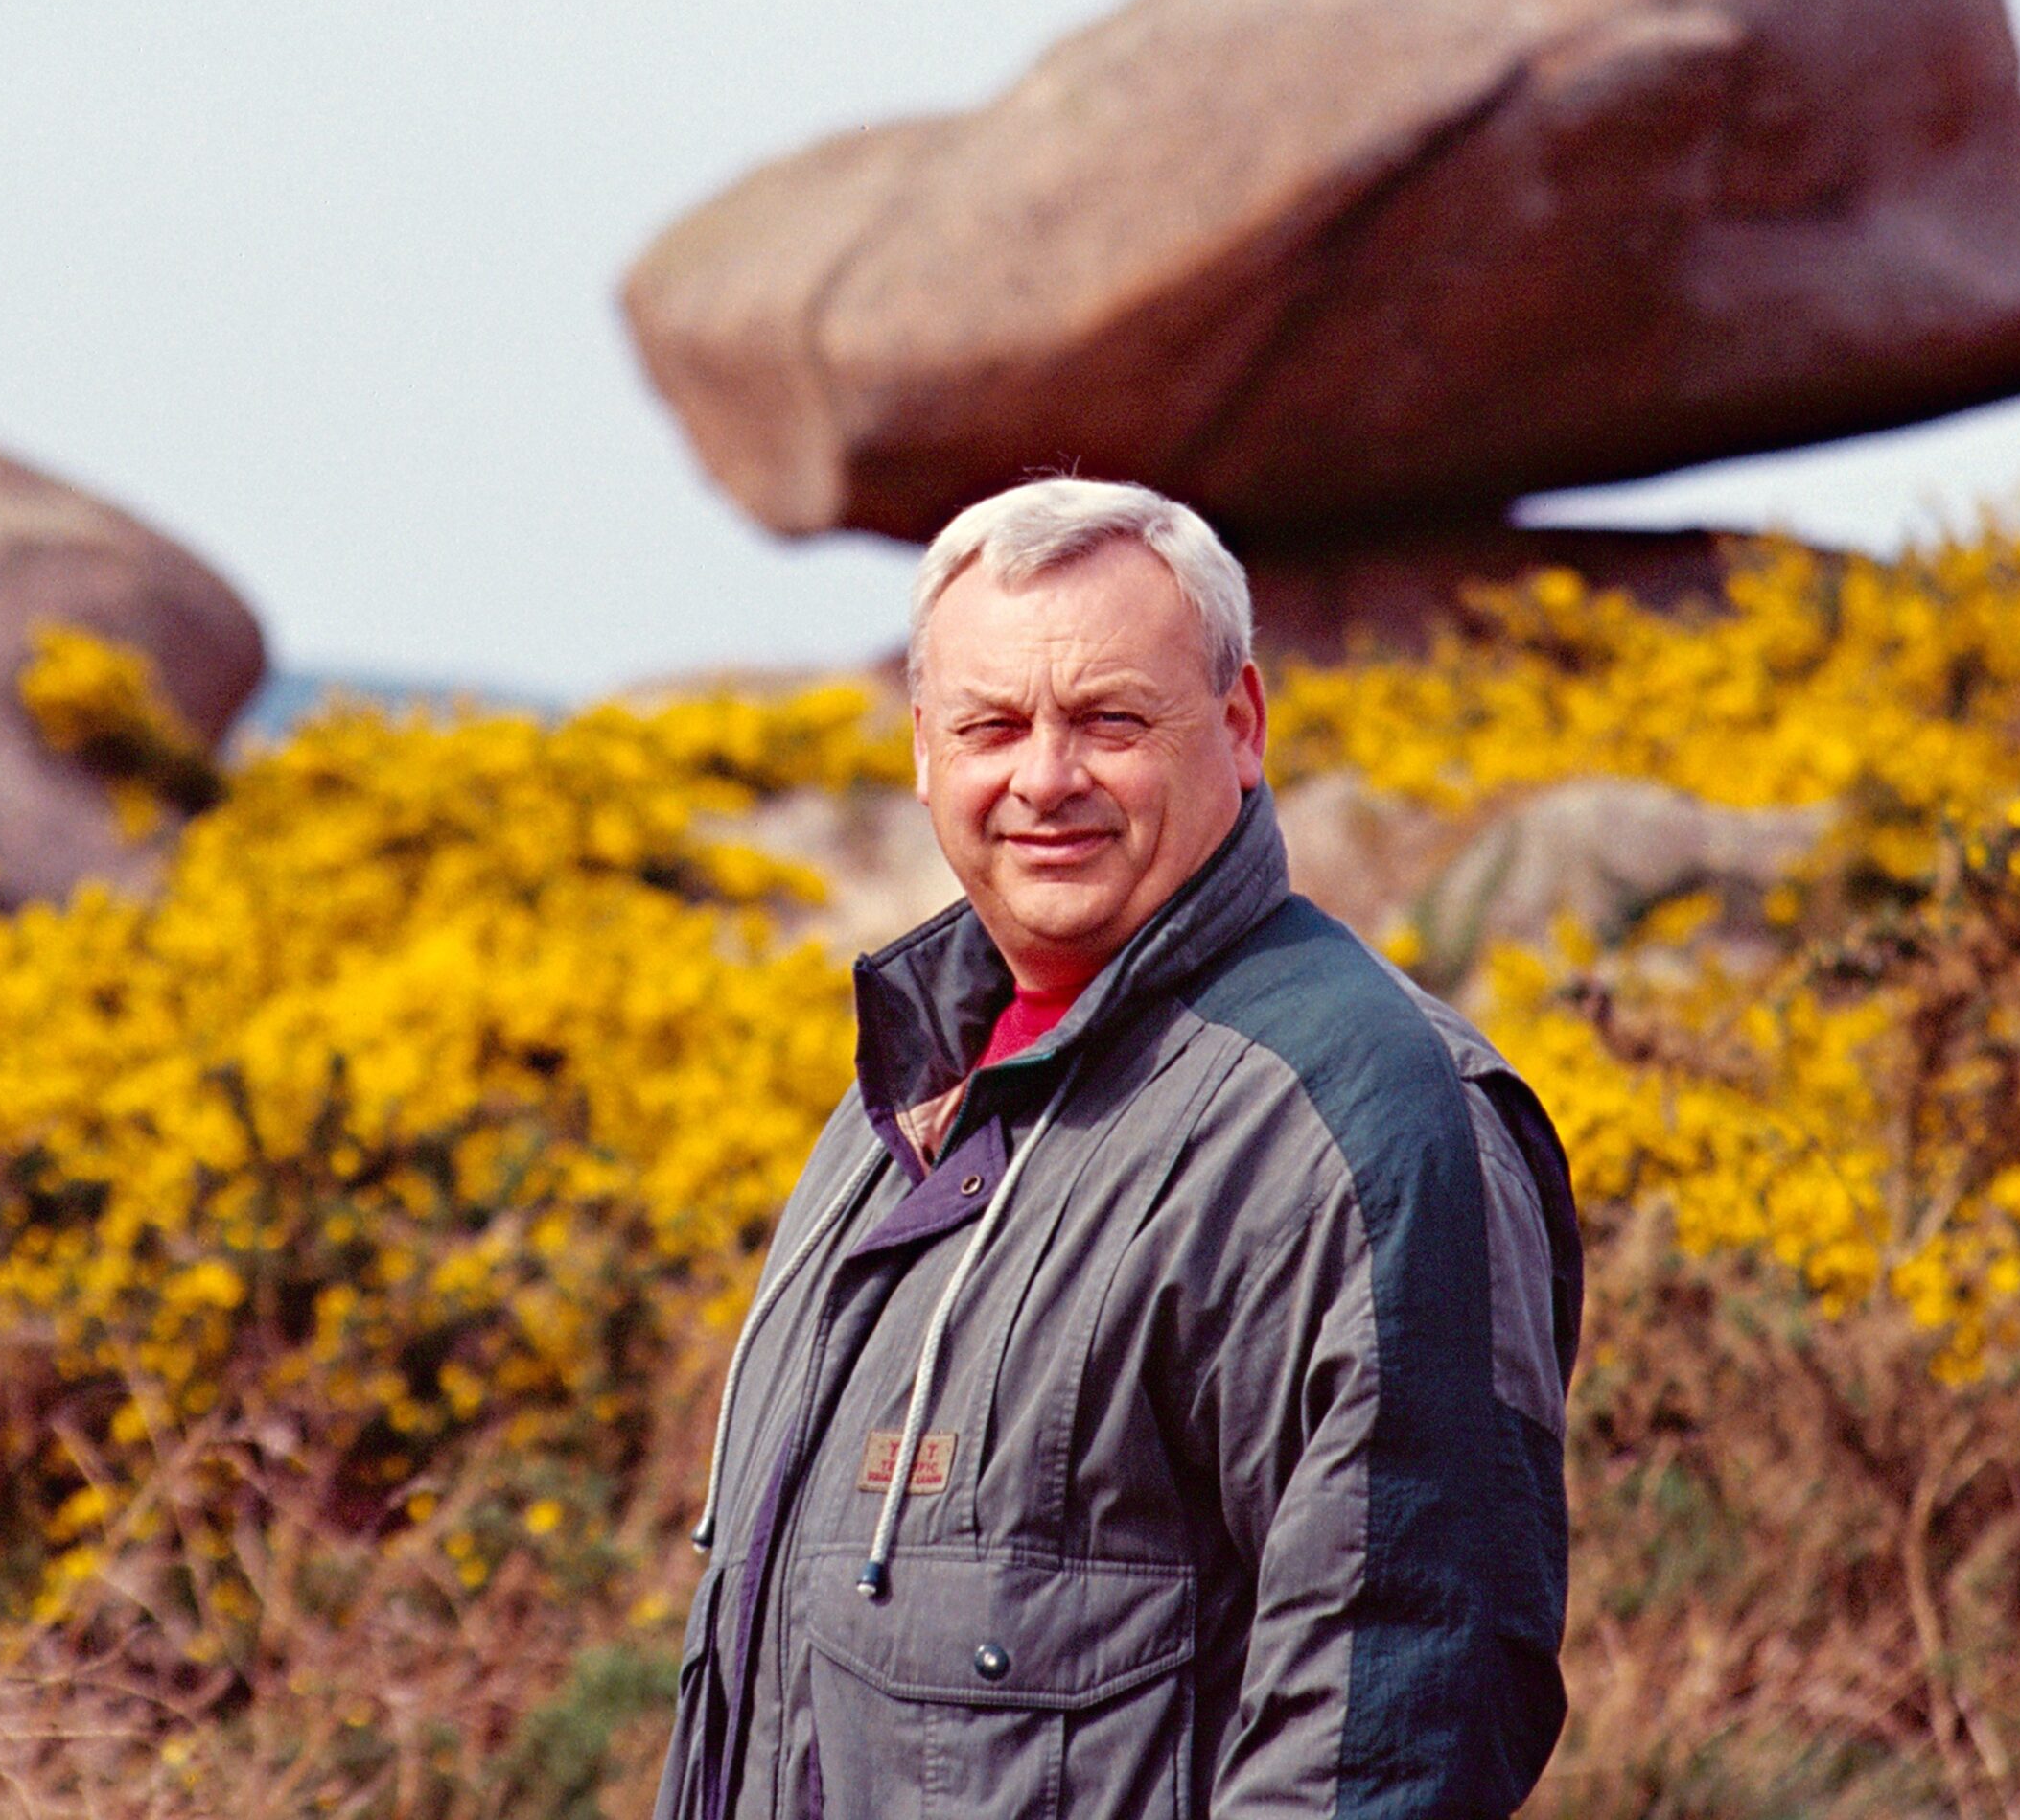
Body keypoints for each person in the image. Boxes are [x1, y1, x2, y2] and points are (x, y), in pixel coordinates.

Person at [654, 478, 1582, 1820]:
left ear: (1240, 724)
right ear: (924, 750)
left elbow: (1390, 1743)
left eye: (1108, 719)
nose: (1045, 778)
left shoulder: (1362, 1123)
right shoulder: (894, 1107)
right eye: (992, 725)